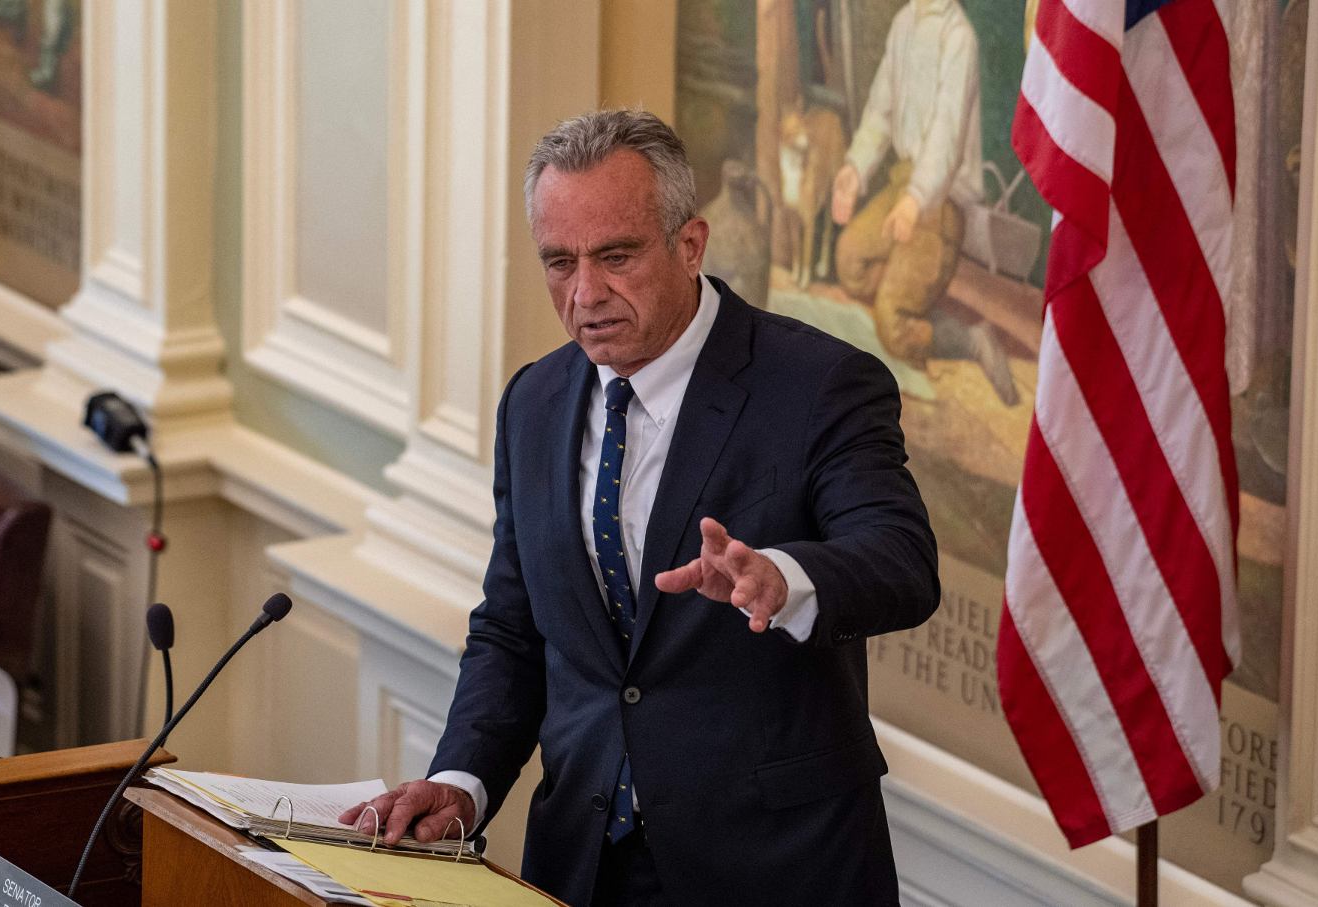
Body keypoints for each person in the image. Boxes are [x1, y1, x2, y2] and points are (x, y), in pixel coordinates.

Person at [340, 109, 939, 906]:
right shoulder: (535, 401)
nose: (585, 294)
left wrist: (782, 578)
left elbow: (902, 560)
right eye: (559, 262)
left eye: (616, 256)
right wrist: (463, 781)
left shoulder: (820, 383)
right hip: (584, 863)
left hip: (776, 869)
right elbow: (514, 628)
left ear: (690, 245)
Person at [830, 0, 1019, 406]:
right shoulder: (904, 22)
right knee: (849, 259)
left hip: (941, 200)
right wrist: (855, 170)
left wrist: (915, 202)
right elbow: (881, 111)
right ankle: (909, 290)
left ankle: (970, 340)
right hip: (902, 182)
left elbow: (945, 139)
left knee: (891, 325)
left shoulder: (958, 37)